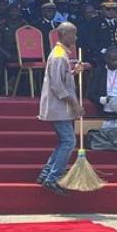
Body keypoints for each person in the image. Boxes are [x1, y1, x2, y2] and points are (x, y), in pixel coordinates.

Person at [37, 22, 83, 196]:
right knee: (69, 142)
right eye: (73, 34)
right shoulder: (58, 56)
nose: (75, 37)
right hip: (59, 107)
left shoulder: (62, 55)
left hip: (61, 107)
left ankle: (46, 173)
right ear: (64, 35)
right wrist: (75, 104)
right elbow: (58, 86)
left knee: (64, 141)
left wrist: (74, 72)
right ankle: (52, 177)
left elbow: (62, 78)